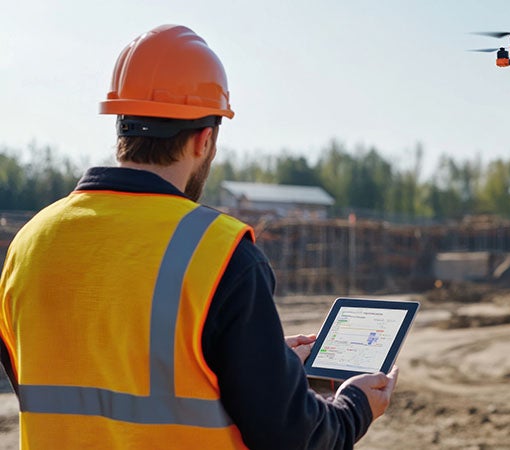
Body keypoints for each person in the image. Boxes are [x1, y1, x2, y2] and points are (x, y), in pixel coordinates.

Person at [0, 24, 398, 449]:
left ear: (121, 129)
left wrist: (249, 362)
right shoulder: (220, 252)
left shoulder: (29, 243)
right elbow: (292, 436)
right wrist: (355, 405)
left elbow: (91, 378)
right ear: (204, 140)